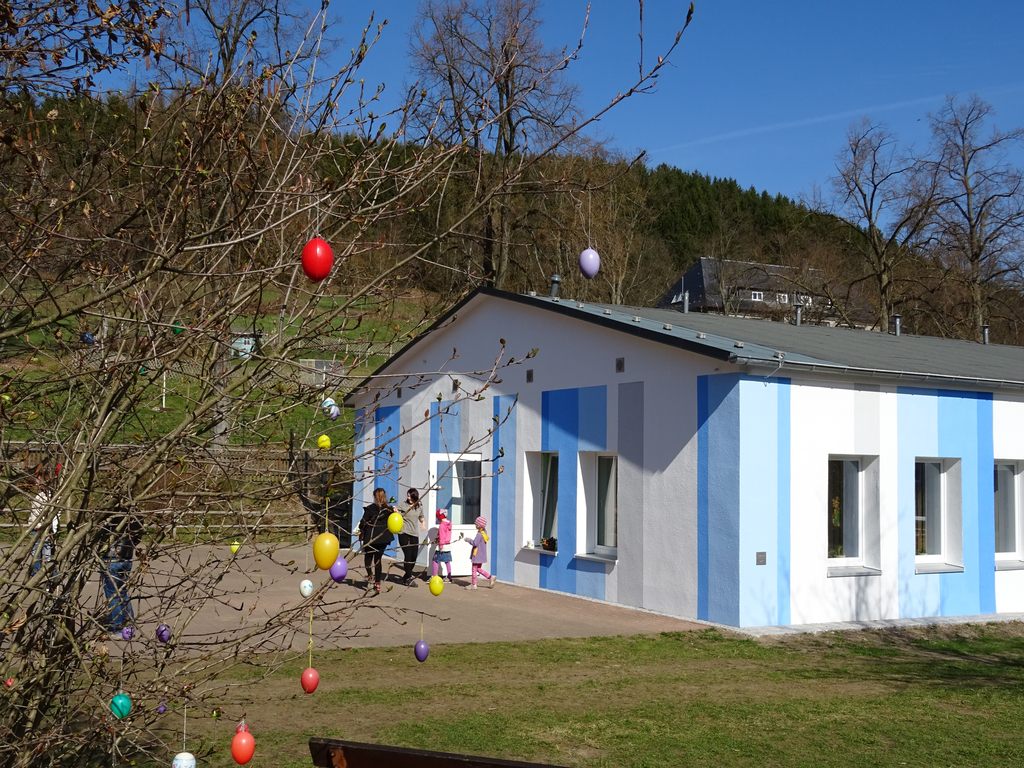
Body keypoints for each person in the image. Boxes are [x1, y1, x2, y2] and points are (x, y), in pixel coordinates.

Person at [101, 509, 144, 632]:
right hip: (126, 557)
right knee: (122, 592)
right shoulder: (136, 513)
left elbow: (99, 532)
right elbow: (139, 534)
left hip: (111, 558)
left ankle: (118, 627)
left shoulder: (110, 512)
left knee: (113, 595)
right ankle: (128, 623)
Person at [357, 488, 393, 594]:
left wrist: (361, 528)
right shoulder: (389, 510)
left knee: (368, 558)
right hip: (383, 539)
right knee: (378, 560)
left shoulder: (370, 509)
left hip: (371, 538)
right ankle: (377, 584)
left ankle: (370, 576)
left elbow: (362, 523)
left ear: (374, 497)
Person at [27, 473, 58, 577]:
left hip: (45, 530)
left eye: (39, 480)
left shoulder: (52, 497)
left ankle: (51, 576)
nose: (37, 483)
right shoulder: (39, 495)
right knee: (36, 555)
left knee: (47, 555)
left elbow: (55, 516)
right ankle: (35, 575)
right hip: (35, 529)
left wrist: (51, 530)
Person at [394, 488, 425, 585]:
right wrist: (395, 511)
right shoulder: (403, 505)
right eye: (407, 496)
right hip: (403, 532)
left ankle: (405, 577)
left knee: (413, 557)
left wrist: (423, 523)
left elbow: (421, 516)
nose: (408, 498)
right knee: (408, 555)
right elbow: (396, 512)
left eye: (410, 496)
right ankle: (409, 577)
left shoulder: (419, 505)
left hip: (414, 533)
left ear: (414, 496)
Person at [465, 515, 496, 590]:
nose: (475, 525)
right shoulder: (484, 532)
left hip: (477, 555)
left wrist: (468, 540)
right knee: (478, 568)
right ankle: (490, 577)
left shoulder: (479, 534)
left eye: (476, 524)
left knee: (474, 569)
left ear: (479, 525)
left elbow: (475, 543)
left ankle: (474, 584)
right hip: (481, 555)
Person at [430, 509, 454, 583]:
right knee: (447, 561)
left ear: (439, 517)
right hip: (448, 546)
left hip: (442, 546)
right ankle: (449, 577)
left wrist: (440, 545)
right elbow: (446, 535)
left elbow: (442, 536)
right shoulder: (449, 524)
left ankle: (434, 576)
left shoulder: (442, 525)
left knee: (435, 560)